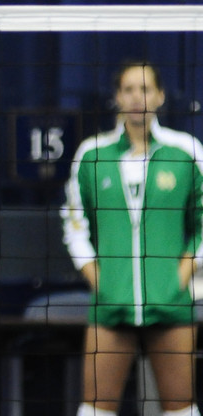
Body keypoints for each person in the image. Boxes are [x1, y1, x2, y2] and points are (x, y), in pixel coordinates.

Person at [61, 61, 203, 416]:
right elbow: (74, 221)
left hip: (170, 303)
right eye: (128, 89)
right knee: (94, 410)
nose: (137, 97)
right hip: (111, 305)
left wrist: (183, 273)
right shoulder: (91, 155)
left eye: (144, 89)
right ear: (117, 98)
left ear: (160, 95)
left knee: (182, 410)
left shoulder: (186, 151)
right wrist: (97, 277)